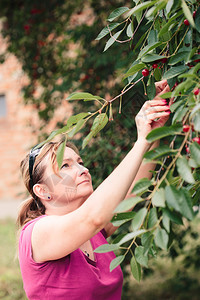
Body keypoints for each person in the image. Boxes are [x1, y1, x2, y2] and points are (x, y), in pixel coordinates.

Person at [17, 80, 171, 300]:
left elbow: (135, 188)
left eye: (79, 161)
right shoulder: (37, 233)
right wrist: (140, 141)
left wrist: (154, 132)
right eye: (65, 165)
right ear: (42, 191)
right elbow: (92, 217)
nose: (83, 169)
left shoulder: (95, 233)